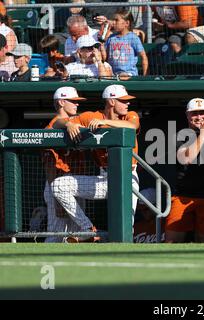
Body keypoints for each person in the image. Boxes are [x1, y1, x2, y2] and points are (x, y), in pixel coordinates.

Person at [51, 84, 140, 243]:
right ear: (112, 102)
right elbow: (57, 123)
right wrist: (69, 124)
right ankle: (88, 229)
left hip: (128, 178)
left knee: (127, 228)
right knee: (58, 186)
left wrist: (104, 123)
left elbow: (132, 127)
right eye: (123, 101)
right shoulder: (91, 116)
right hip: (104, 179)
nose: (128, 104)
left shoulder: (129, 115)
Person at [165, 98, 204, 243]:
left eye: (202, 113)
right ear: (187, 115)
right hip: (183, 196)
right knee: (172, 241)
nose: (198, 117)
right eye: (194, 113)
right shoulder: (180, 136)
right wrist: (203, 134)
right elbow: (187, 158)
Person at [43, 86, 87, 242]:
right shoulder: (53, 126)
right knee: (56, 234)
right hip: (55, 183)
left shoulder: (75, 125)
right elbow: (49, 166)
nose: (77, 104)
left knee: (75, 236)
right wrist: (56, 199)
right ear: (61, 102)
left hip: (76, 183)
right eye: (73, 101)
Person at [103, 8, 148, 77]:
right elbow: (104, 57)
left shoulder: (133, 37)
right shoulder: (111, 38)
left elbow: (143, 56)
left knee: (123, 76)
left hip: (129, 74)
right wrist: (104, 40)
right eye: (113, 20)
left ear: (127, 23)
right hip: (113, 74)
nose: (113, 22)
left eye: (116, 20)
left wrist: (144, 76)